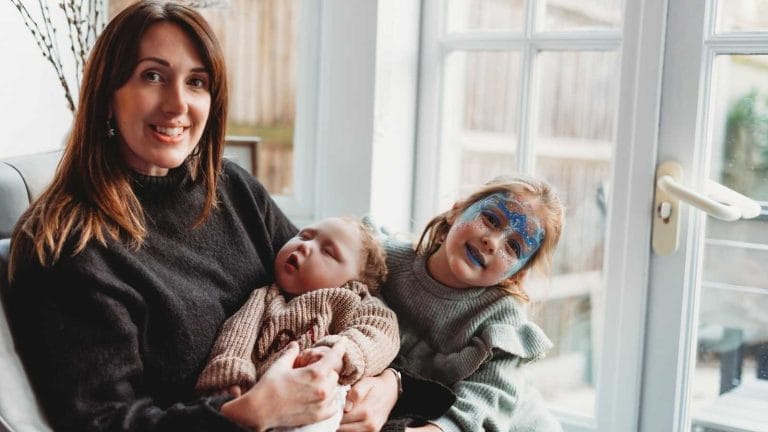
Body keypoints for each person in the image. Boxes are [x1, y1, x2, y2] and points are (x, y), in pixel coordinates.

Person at [6, 2, 352, 431]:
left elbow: (344, 295)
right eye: (153, 76)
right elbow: (103, 422)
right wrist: (247, 416)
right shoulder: (67, 246)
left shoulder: (232, 186)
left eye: (197, 82)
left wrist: (386, 384)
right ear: (107, 95)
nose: (177, 104)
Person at [345, 176, 565, 432]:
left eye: (514, 246)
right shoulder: (382, 258)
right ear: (456, 210)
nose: (493, 242)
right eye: (491, 219)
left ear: (516, 274)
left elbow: (479, 406)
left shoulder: (503, 321)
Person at [196, 216, 400, 432]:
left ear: (356, 281)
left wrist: (341, 353)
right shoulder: (264, 297)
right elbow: (236, 336)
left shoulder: (354, 300)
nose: (305, 246)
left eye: (328, 252)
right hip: (265, 401)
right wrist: (230, 374)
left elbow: (380, 332)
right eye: (304, 235)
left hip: (325, 399)